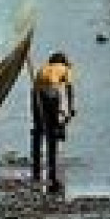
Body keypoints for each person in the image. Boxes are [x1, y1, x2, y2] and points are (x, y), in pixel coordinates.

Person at [30, 51, 75, 189]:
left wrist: (59, 110)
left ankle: (36, 172)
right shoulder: (65, 69)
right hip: (51, 93)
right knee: (52, 133)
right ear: (64, 61)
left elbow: (43, 89)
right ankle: (52, 174)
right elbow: (69, 89)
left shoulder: (44, 68)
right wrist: (71, 108)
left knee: (38, 130)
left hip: (36, 93)